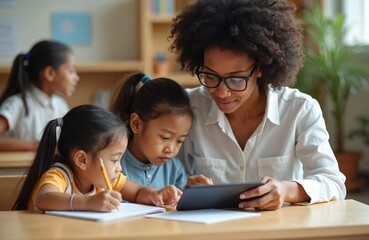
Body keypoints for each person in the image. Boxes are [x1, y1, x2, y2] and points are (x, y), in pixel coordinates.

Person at [169, 0, 346, 210]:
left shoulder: (299, 110)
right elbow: (159, 175)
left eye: (236, 79)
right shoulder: (188, 109)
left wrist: (285, 190)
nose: (222, 92)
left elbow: (333, 182)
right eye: (210, 76)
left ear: (261, 68)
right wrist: (182, 187)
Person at [12, 104, 181, 211]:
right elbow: (44, 198)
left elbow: (137, 192)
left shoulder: (104, 178)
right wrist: (88, 203)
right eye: (114, 160)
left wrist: (155, 194)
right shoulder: (59, 175)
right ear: (82, 160)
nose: (119, 167)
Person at [110, 72, 212, 190]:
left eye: (180, 141)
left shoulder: (174, 169)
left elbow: (178, 207)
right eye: (165, 138)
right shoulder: (114, 164)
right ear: (136, 124)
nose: (171, 149)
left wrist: (190, 192)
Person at [0, 40, 79, 151]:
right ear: (50, 73)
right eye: (71, 71)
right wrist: (39, 146)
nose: (76, 77)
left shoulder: (61, 105)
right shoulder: (17, 103)